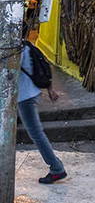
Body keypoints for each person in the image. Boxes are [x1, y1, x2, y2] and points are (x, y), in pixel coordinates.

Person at [18, 25, 67, 184]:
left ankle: (56, 168)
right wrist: (49, 89)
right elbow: (44, 65)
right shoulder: (28, 46)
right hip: (29, 93)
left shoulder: (17, 51)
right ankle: (56, 165)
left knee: (36, 134)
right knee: (36, 133)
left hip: (24, 97)